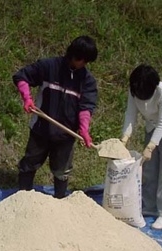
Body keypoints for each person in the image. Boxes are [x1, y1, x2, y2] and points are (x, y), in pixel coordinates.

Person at [12, 35, 98, 198]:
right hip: (41, 129)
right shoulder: (49, 66)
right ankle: (22, 199)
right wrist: (27, 98)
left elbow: (86, 107)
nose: (84, 64)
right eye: (83, 60)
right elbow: (21, 76)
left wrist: (84, 130)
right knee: (29, 163)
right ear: (74, 55)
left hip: (65, 134)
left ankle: (59, 203)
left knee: (62, 171)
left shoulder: (87, 81)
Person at [120, 64, 162, 230]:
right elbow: (130, 115)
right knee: (149, 170)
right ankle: (149, 206)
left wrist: (150, 147)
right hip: (151, 127)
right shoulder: (133, 90)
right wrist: (124, 138)